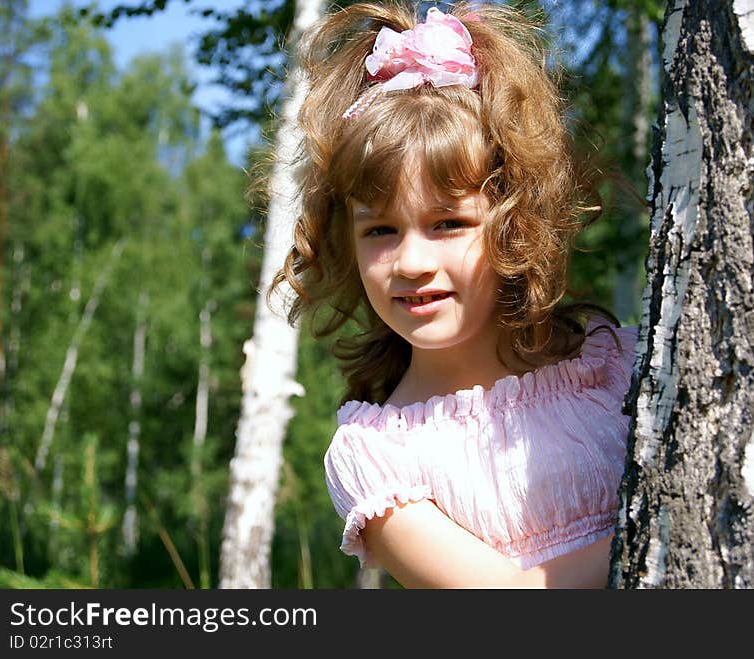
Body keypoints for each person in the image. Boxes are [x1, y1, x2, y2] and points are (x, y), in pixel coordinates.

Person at [273, 0, 638, 588]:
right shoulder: (376, 457)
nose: (412, 263)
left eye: (449, 224)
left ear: (517, 222)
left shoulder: (614, 364)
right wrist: (662, 529)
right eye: (380, 231)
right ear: (347, 242)